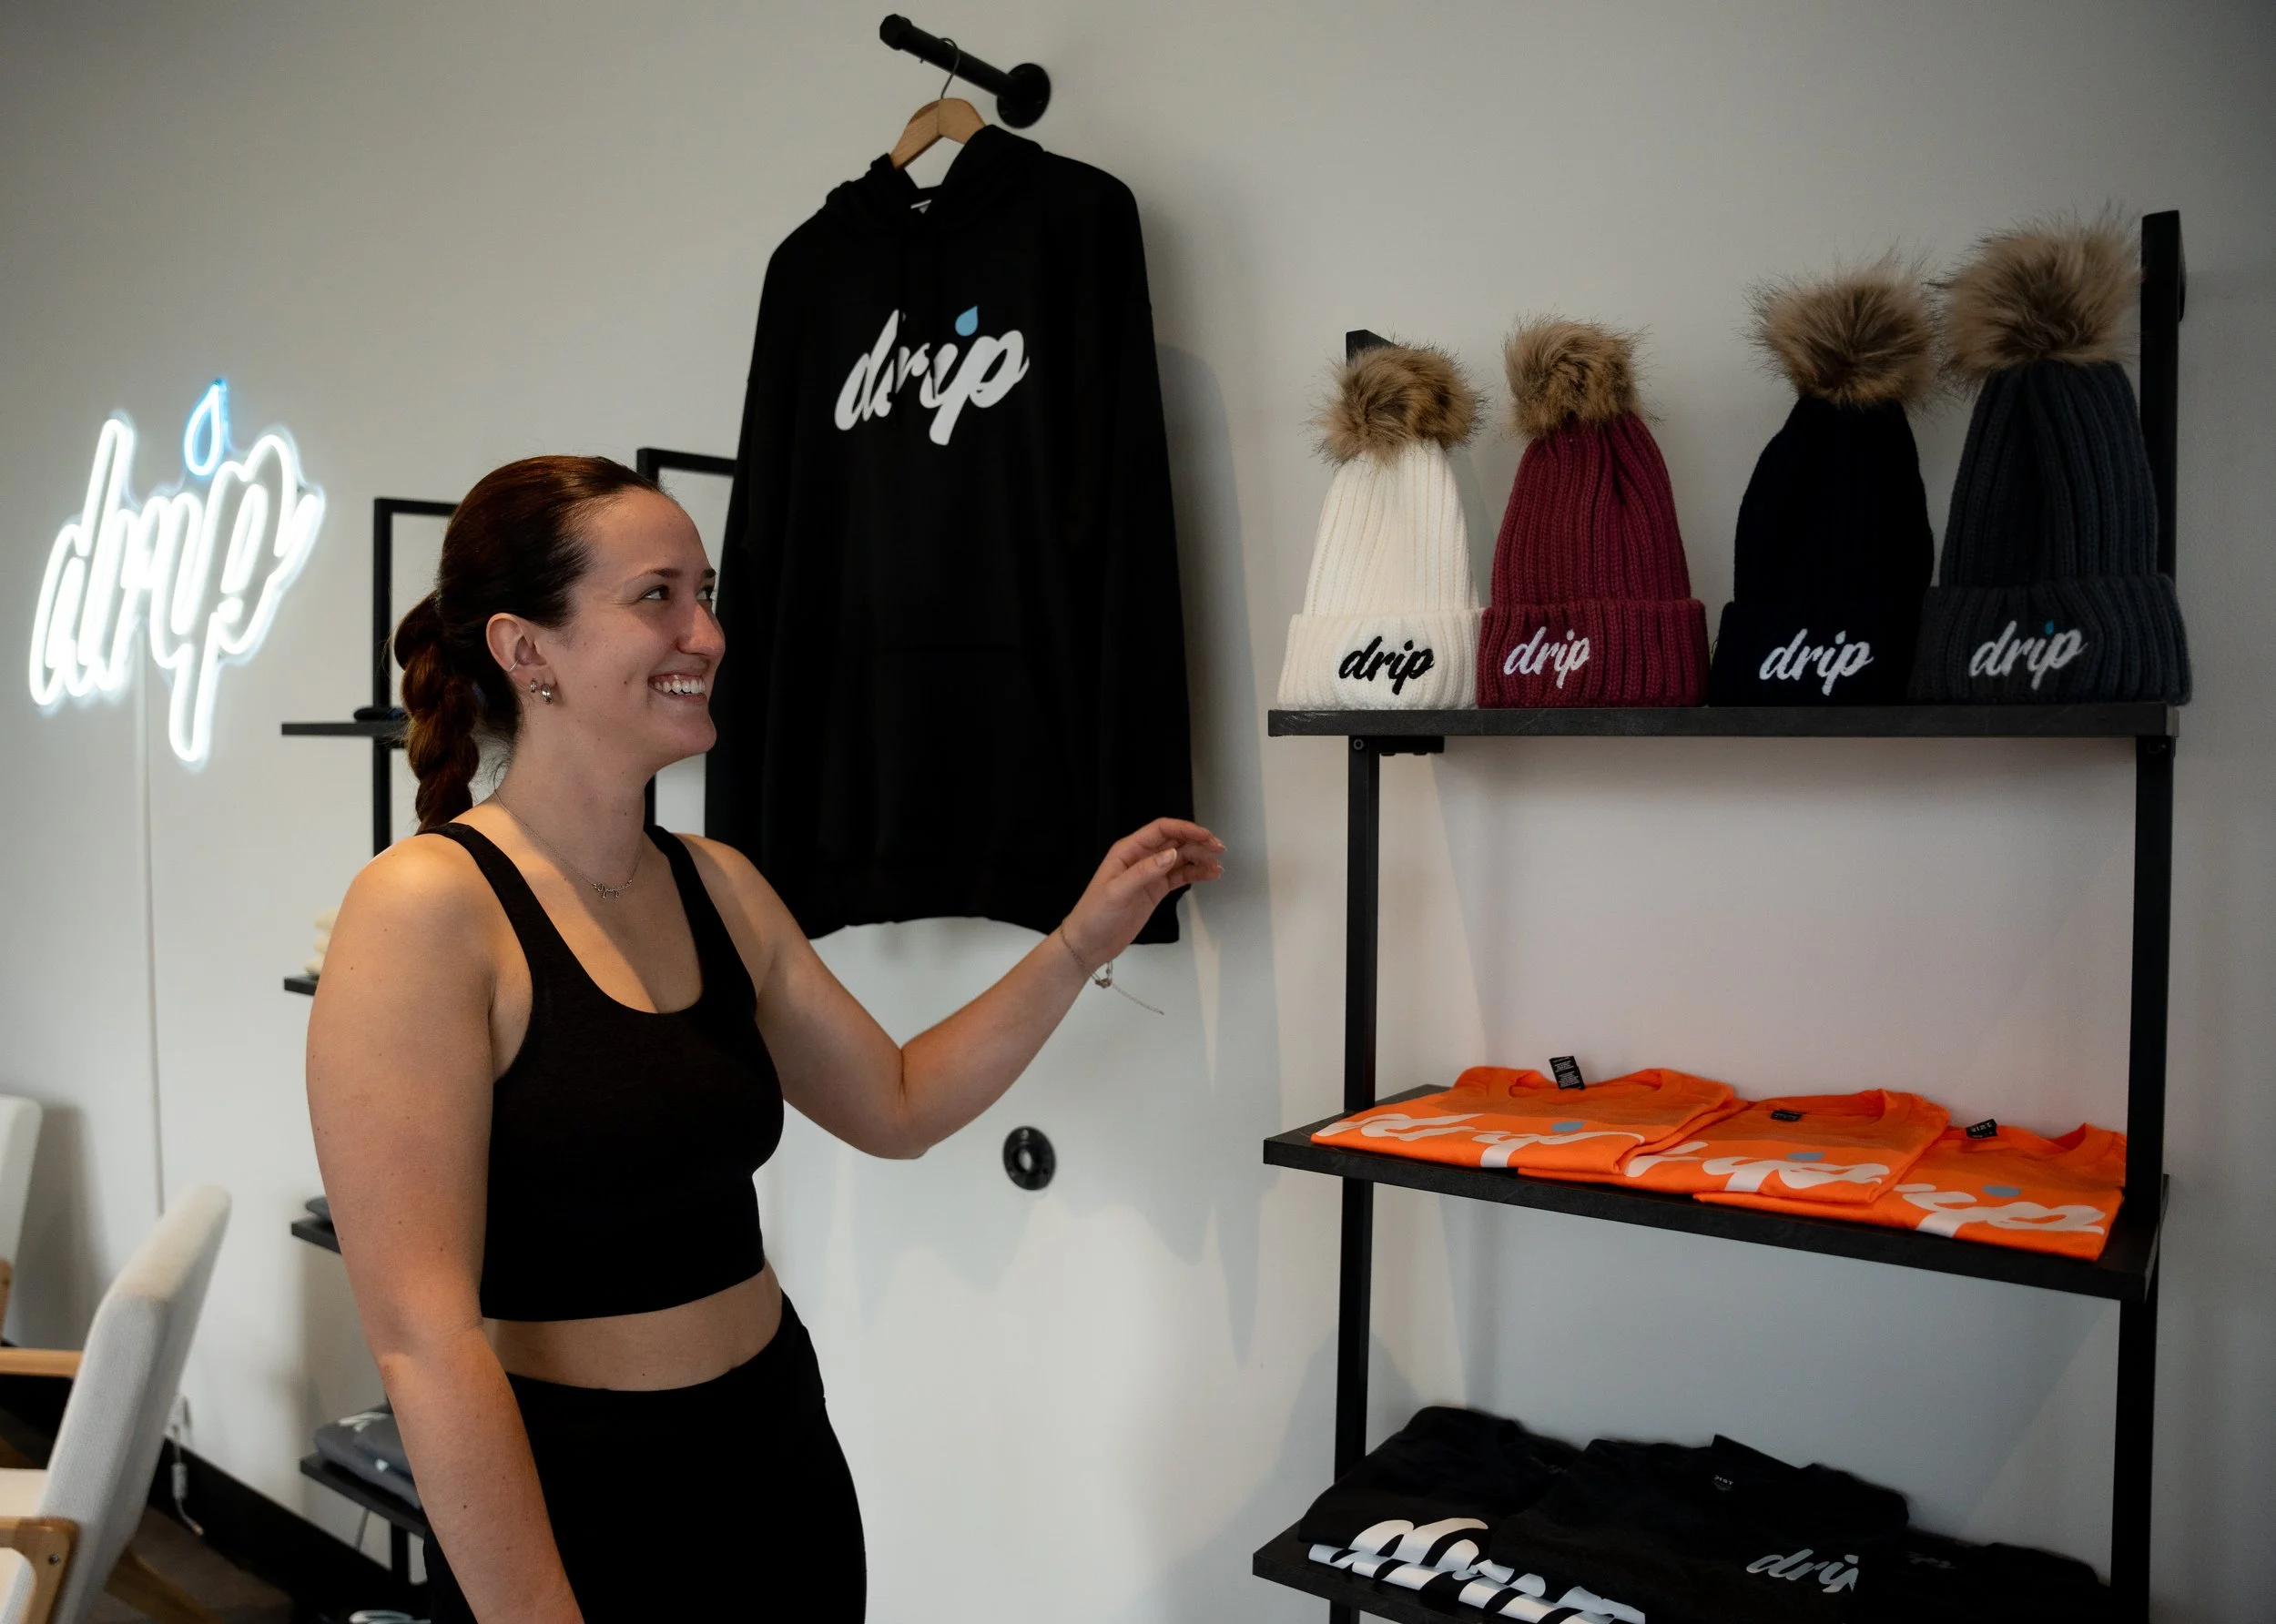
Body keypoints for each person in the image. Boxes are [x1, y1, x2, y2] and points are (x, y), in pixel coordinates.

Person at [305, 455, 1222, 1623]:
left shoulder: (716, 884)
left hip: (774, 1447)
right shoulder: (425, 907)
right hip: (578, 1496)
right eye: (657, 595)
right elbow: (425, 1341)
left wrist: (1080, 940)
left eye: (708, 590)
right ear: (526, 649)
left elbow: (895, 1103)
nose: (708, 632)